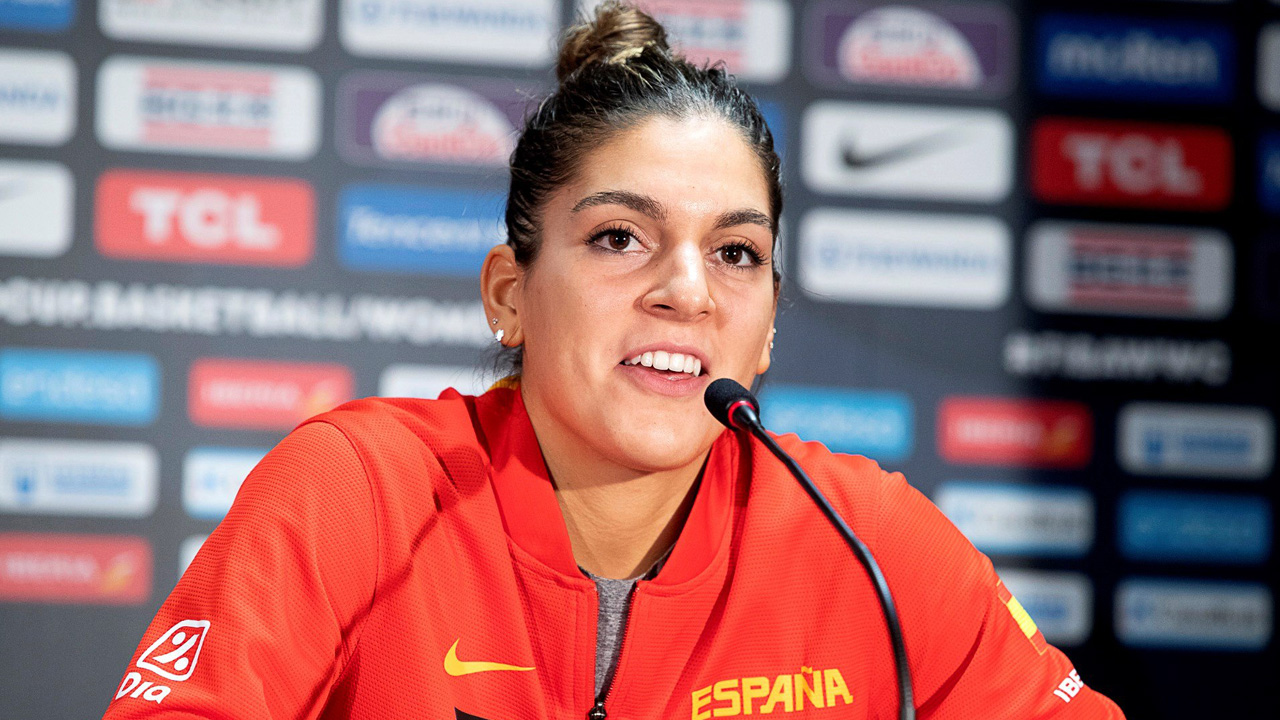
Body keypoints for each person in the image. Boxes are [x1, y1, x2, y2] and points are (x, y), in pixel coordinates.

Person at [102, 3, 1125, 719]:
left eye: (735, 253)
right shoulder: (358, 492)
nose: (687, 290)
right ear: (509, 293)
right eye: (619, 238)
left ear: (769, 325)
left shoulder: (866, 539)